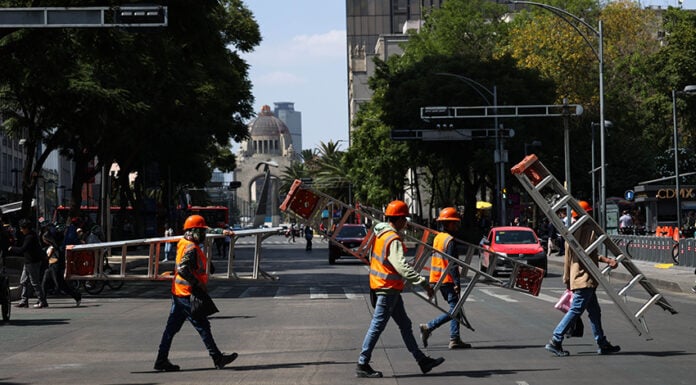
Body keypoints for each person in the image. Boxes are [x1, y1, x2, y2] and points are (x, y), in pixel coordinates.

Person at [356, 200, 445, 378]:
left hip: (386, 288)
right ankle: (362, 363)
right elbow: (401, 266)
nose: (406, 223)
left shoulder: (380, 233)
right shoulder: (393, 238)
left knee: (405, 325)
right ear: (397, 219)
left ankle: (422, 361)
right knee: (377, 326)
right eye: (404, 219)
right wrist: (423, 283)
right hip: (387, 289)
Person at [154, 214, 237, 372]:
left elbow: (208, 230)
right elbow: (183, 269)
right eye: (202, 232)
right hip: (187, 293)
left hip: (178, 292)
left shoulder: (186, 241)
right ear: (194, 231)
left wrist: (222, 232)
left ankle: (161, 360)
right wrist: (198, 283)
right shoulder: (191, 247)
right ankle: (217, 358)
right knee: (203, 326)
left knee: (171, 329)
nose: (205, 235)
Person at [545, 201, 622, 357]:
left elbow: (570, 257)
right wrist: (608, 260)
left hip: (580, 277)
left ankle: (602, 343)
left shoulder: (571, 230)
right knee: (576, 310)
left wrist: (567, 278)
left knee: (594, 312)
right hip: (584, 277)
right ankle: (555, 340)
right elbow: (589, 253)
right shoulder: (585, 228)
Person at [419, 207, 471, 350]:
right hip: (447, 279)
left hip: (437, 279)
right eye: (454, 223)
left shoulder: (438, 238)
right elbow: (452, 264)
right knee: (455, 310)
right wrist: (457, 282)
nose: (456, 226)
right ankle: (429, 327)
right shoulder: (450, 241)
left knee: (456, 309)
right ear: (447, 224)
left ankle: (455, 338)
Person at [40, 223, 81, 307]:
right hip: (51, 266)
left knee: (60, 284)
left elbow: (53, 257)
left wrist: (47, 258)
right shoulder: (52, 246)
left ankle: (76, 295)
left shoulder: (55, 248)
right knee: (44, 282)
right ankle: (42, 301)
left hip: (55, 266)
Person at [12, 219, 49, 309]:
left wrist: (12, 248)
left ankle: (42, 301)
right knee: (23, 281)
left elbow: (23, 249)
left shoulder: (30, 237)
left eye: (22, 229)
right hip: (28, 262)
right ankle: (24, 301)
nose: (21, 230)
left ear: (26, 229)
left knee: (35, 282)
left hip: (33, 262)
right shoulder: (30, 235)